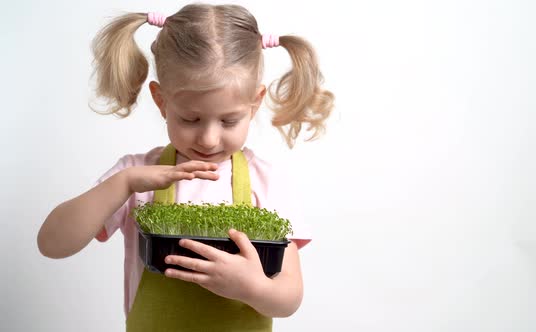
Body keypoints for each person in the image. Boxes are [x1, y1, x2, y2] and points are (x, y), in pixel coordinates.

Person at [37, 3, 333, 331]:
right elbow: (52, 244)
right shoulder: (137, 174)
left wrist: (253, 287)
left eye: (229, 120)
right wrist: (123, 183)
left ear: (255, 103)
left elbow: (289, 297)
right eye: (190, 118)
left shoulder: (267, 183)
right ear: (162, 101)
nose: (208, 138)